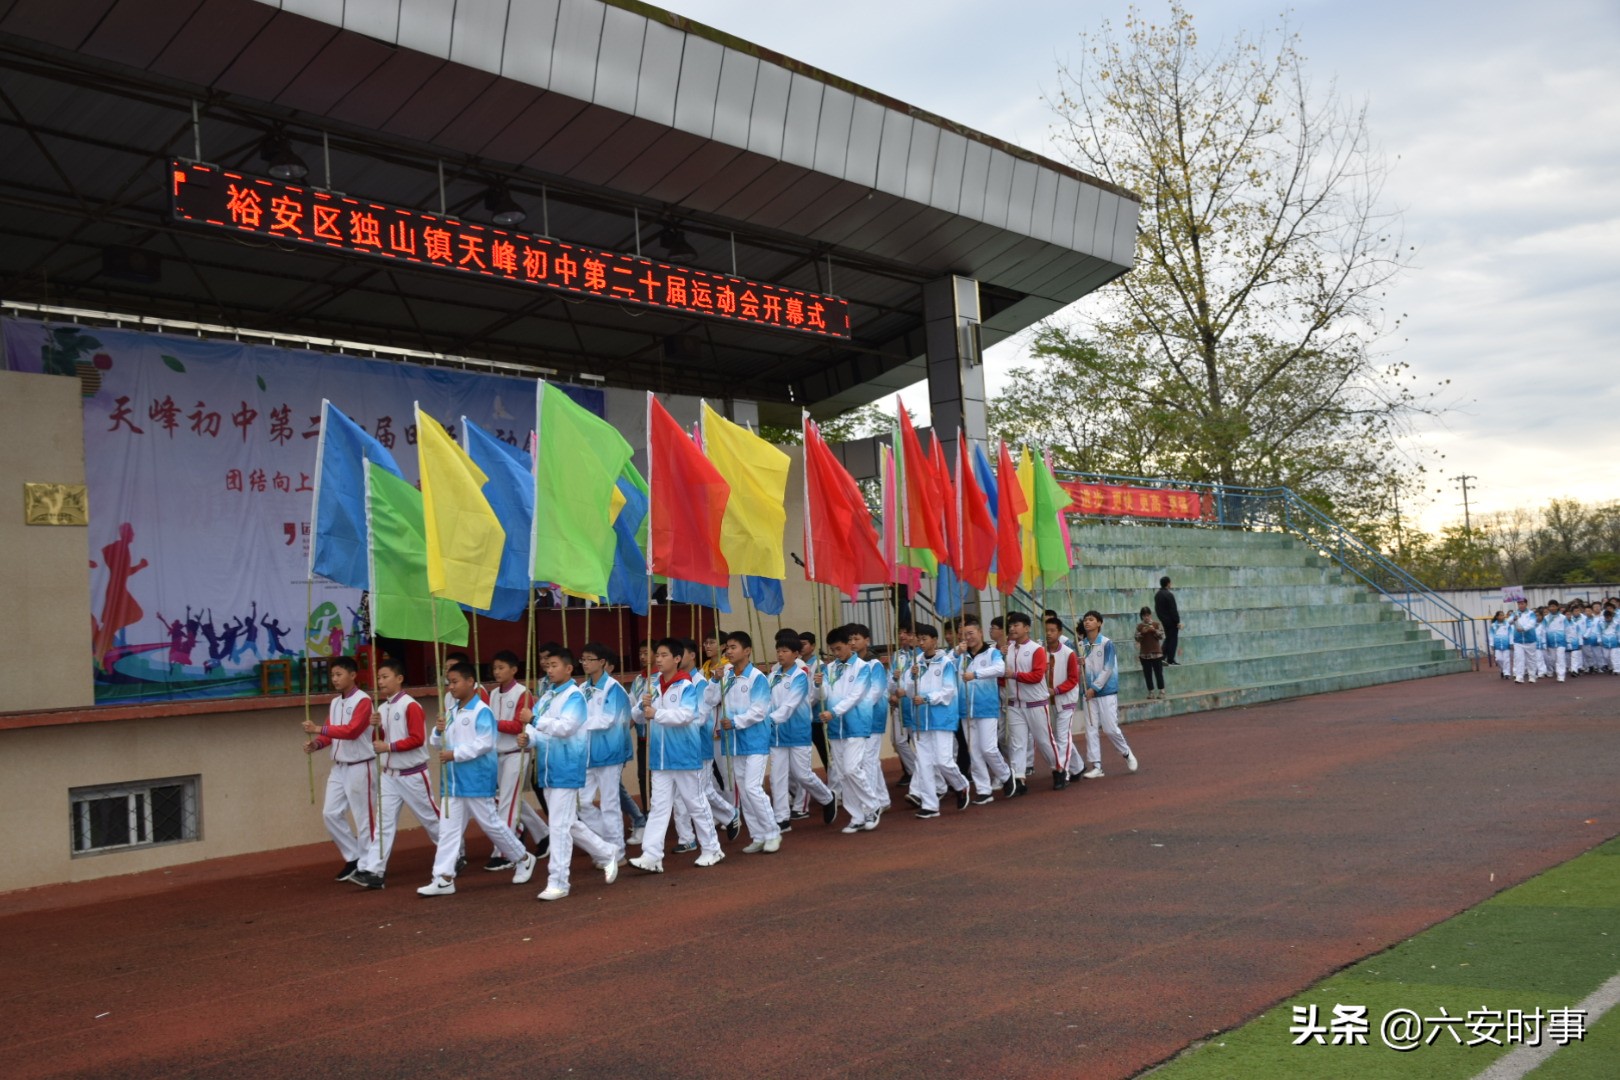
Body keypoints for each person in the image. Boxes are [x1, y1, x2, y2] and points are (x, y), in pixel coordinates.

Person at [417, 662, 537, 896]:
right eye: (449, 683)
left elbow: (484, 743)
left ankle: (523, 857)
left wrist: (455, 754)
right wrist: (438, 732)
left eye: (455, 682)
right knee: (448, 830)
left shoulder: (482, 711)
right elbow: (437, 743)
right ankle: (443, 877)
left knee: (491, 824)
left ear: (470, 681)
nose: (451, 687)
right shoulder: (451, 712)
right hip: (453, 782)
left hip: (476, 780)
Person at [519, 648, 619, 901]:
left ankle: (559, 881)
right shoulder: (547, 696)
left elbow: (566, 728)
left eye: (554, 665)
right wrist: (528, 738)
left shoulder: (575, 696)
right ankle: (607, 851)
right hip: (548, 769)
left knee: (559, 826)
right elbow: (537, 731)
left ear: (568, 668)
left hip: (568, 767)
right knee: (567, 823)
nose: (549, 669)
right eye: (547, 666)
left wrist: (534, 720)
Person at [630, 638, 725, 873]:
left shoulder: (686, 686)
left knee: (695, 803)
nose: (658, 659)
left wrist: (656, 713)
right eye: (657, 655)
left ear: (677, 659)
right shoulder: (653, 685)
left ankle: (712, 848)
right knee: (659, 807)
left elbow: (687, 715)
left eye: (664, 655)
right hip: (660, 758)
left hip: (684, 755)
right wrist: (642, 707)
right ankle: (652, 855)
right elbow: (638, 716)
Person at [350, 659, 440, 890]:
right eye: (378, 677)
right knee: (383, 823)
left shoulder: (411, 706)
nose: (380, 682)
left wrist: (388, 747)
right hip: (389, 775)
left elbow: (417, 739)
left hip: (413, 773)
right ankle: (375, 871)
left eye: (385, 677)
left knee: (430, 818)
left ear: (399, 678)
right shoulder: (381, 709)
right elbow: (378, 741)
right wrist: (375, 728)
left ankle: (455, 851)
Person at [301, 656, 377, 883]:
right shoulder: (335, 702)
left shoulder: (363, 701)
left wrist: (317, 729)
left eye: (339, 674)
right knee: (330, 813)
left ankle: (370, 866)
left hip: (361, 765)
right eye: (332, 675)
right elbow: (329, 732)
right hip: (340, 767)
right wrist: (316, 744)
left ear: (353, 675)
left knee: (364, 818)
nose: (334, 679)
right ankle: (354, 857)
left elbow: (352, 731)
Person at [706, 631, 781, 854]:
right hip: (734, 743)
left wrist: (735, 722)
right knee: (745, 792)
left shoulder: (757, 677)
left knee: (752, 788)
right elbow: (710, 699)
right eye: (727, 647)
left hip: (755, 741)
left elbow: (759, 710)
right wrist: (715, 680)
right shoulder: (726, 675)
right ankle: (758, 836)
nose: (728, 651)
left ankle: (772, 832)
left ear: (747, 650)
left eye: (733, 647)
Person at [767, 630, 836, 828]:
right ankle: (782, 818)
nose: (780, 654)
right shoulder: (772, 676)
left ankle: (827, 797)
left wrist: (768, 720)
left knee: (802, 774)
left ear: (796, 654)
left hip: (797, 731)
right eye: (778, 651)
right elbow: (765, 701)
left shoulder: (800, 676)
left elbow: (790, 705)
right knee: (777, 777)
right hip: (777, 734)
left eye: (785, 651)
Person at [901, 624, 970, 819]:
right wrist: (912, 677)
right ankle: (930, 805)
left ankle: (961, 785)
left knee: (943, 760)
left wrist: (928, 698)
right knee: (924, 763)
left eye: (925, 639)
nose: (921, 643)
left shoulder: (945, 663)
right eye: (919, 639)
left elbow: (949, 691)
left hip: (941, 718)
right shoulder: (916, 663)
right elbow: (908, 691)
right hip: (920, 720)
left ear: (934, 640)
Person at [819, 626, 883, 833]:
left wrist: (834, 712)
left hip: (857, 723)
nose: (836, 653)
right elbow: (824, 695)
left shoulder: (863, 668)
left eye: (839, 648)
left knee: (852, 768)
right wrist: (818, 685)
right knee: (842, 774)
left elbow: (856, 696)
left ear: (849, 644)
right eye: (833, 650)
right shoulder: (829, 669)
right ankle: (856, 816)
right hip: (835, 727)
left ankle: (872, 805)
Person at [577, 643, 635, 868]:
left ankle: (617, 853)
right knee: (581, 803)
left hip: (611, 753)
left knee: (610, 803)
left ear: (602, 662)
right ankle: (607, 845)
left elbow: (608, 719)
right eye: (582, 659)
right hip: (588, 754)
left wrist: (578, 724)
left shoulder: (614, 688)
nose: (585, 663)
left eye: (589, 659)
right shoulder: (582, 688)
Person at [487, 650, 545, 870]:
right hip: (498, 753)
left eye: (501, 668)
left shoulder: (523, 693)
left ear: (514, 669)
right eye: (495, 668)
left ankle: (504, 852)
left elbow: (520, 726)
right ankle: (543, 834)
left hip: (516, 752)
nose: (497, 672)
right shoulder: (493, 694)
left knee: (507, 803)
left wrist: (493, 723)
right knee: (510, 799)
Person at [1077, 612, 1139, 779]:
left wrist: (1095, 687)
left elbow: (1108, 668)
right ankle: (1096, 766)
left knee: (1110, 728)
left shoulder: (1106, 643)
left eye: (1091, 620)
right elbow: (1079, 670)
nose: (1087, 622)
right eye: (1085, 620)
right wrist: (1079, 665)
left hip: (1106, 691)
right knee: (1090, 729)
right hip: (1088, 694)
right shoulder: (1081, 645)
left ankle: (1126, 752)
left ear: (1099, 623)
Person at [956, 617, 1011, 804]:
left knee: (988, 748)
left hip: (986, 707)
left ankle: (1006, 775)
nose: (968, 637)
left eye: (971, 633)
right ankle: (984, 790)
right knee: (974, 752)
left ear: (980, 632)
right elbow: (946, 665)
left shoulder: (992, 653)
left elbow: (1000, 669)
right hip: (966, 710)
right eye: (964, 635)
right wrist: (957, 653)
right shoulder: (960, 656)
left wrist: (976, 674)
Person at [1002, 612, 1051, 797]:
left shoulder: (1037, 649)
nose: (1012, 628)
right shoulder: (1007, 649)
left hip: (1036, 702)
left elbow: (1037, 676)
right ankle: (1019, 778)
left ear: (1027, 628)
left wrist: (1014, 675)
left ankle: (1060, 768)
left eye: (1016, 625)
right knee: (1017, 743)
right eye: (1011, 626)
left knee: (1044, 741)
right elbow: (1001, 675)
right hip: (1015, 704)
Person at [847, 623, 892, 815]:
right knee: (869, 759)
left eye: (856, 639)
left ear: (867, 640)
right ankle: (882, 798)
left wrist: (854, 707)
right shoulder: (851, 664)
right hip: (856, 718)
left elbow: (876, 691)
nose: (852, 642)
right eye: (850, 639)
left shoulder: (874, 664)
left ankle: (870, 805)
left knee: (868, 760)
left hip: (872, 716)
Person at [1044, 616, 1083, 788]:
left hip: (1066, 700)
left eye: (1052, 631)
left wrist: (1057, 690)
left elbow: (1073, 679)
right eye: (1046, 630)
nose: (1049, 634)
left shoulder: (1068, 653)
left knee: (1062, 736)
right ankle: (1078, 766)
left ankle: (1063, 773)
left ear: (1059, 632)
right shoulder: (1041, 652)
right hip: (1049, 701)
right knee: (1061, 736)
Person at [799, 631, 831, 770]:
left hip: (817, 716)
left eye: (804, 644)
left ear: (812, 646)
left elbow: (817, 693)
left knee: (825, 751)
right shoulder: (798, 664)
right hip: (803, 717)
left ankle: (834, 778)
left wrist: (802, 705)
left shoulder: (819, 665)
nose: (801, 647)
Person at [1135, 606, 1166, 700]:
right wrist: (1142, 633)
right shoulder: (1139, 627)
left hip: (1157, 654)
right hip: (1144, 654)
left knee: (1158, 673)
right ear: (1141, 616)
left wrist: (1154, 630)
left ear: (1150, 615)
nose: (1146, 617)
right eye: (1144, 615)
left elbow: (1162, 636)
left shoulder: (1156, 624)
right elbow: (1137, 638)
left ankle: (1162, 691)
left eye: (1148, 615)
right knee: (1147, 674)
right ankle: (1151, 692)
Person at [1154, 576, 1184, 665]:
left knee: (1168, 638)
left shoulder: (1157, 595)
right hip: (1171, 621)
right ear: (1168, 583)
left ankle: (1163, 657)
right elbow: (1173, 609)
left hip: (1164, 620)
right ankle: (1169, 658)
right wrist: (1177, 621)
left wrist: (1163, 619)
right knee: (1172, 640)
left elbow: (1157, 609)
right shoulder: (1169, 595)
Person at [1510, 599, 1539, 684]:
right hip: (1518, 641)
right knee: (1519, 659)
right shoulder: (1515, 613)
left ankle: (1532, 676)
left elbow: (1532, 623)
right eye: (1519, 604)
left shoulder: (1531, 613)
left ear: (1526, 604)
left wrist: (1523, 629)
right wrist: (1513, 619)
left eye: (1522, 604)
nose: (1521, 605)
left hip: (1530, 640)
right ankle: (1519, 677)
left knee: (1531, 659)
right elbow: (1508, 622)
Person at [1489, 612, 1513, 680]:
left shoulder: (1507, 624)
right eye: (1501, 615)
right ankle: (1503, 670)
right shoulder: (1493, 625)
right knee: (1498, 659)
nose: (1503, 616)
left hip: (1506, 644)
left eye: (1503, 615)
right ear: (1497, 617)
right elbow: (1491, 635)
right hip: (1497, 645)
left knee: (1506, 659)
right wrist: (1491, 644)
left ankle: (1507, 673)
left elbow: (1510, 634)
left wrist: (1511, 643)